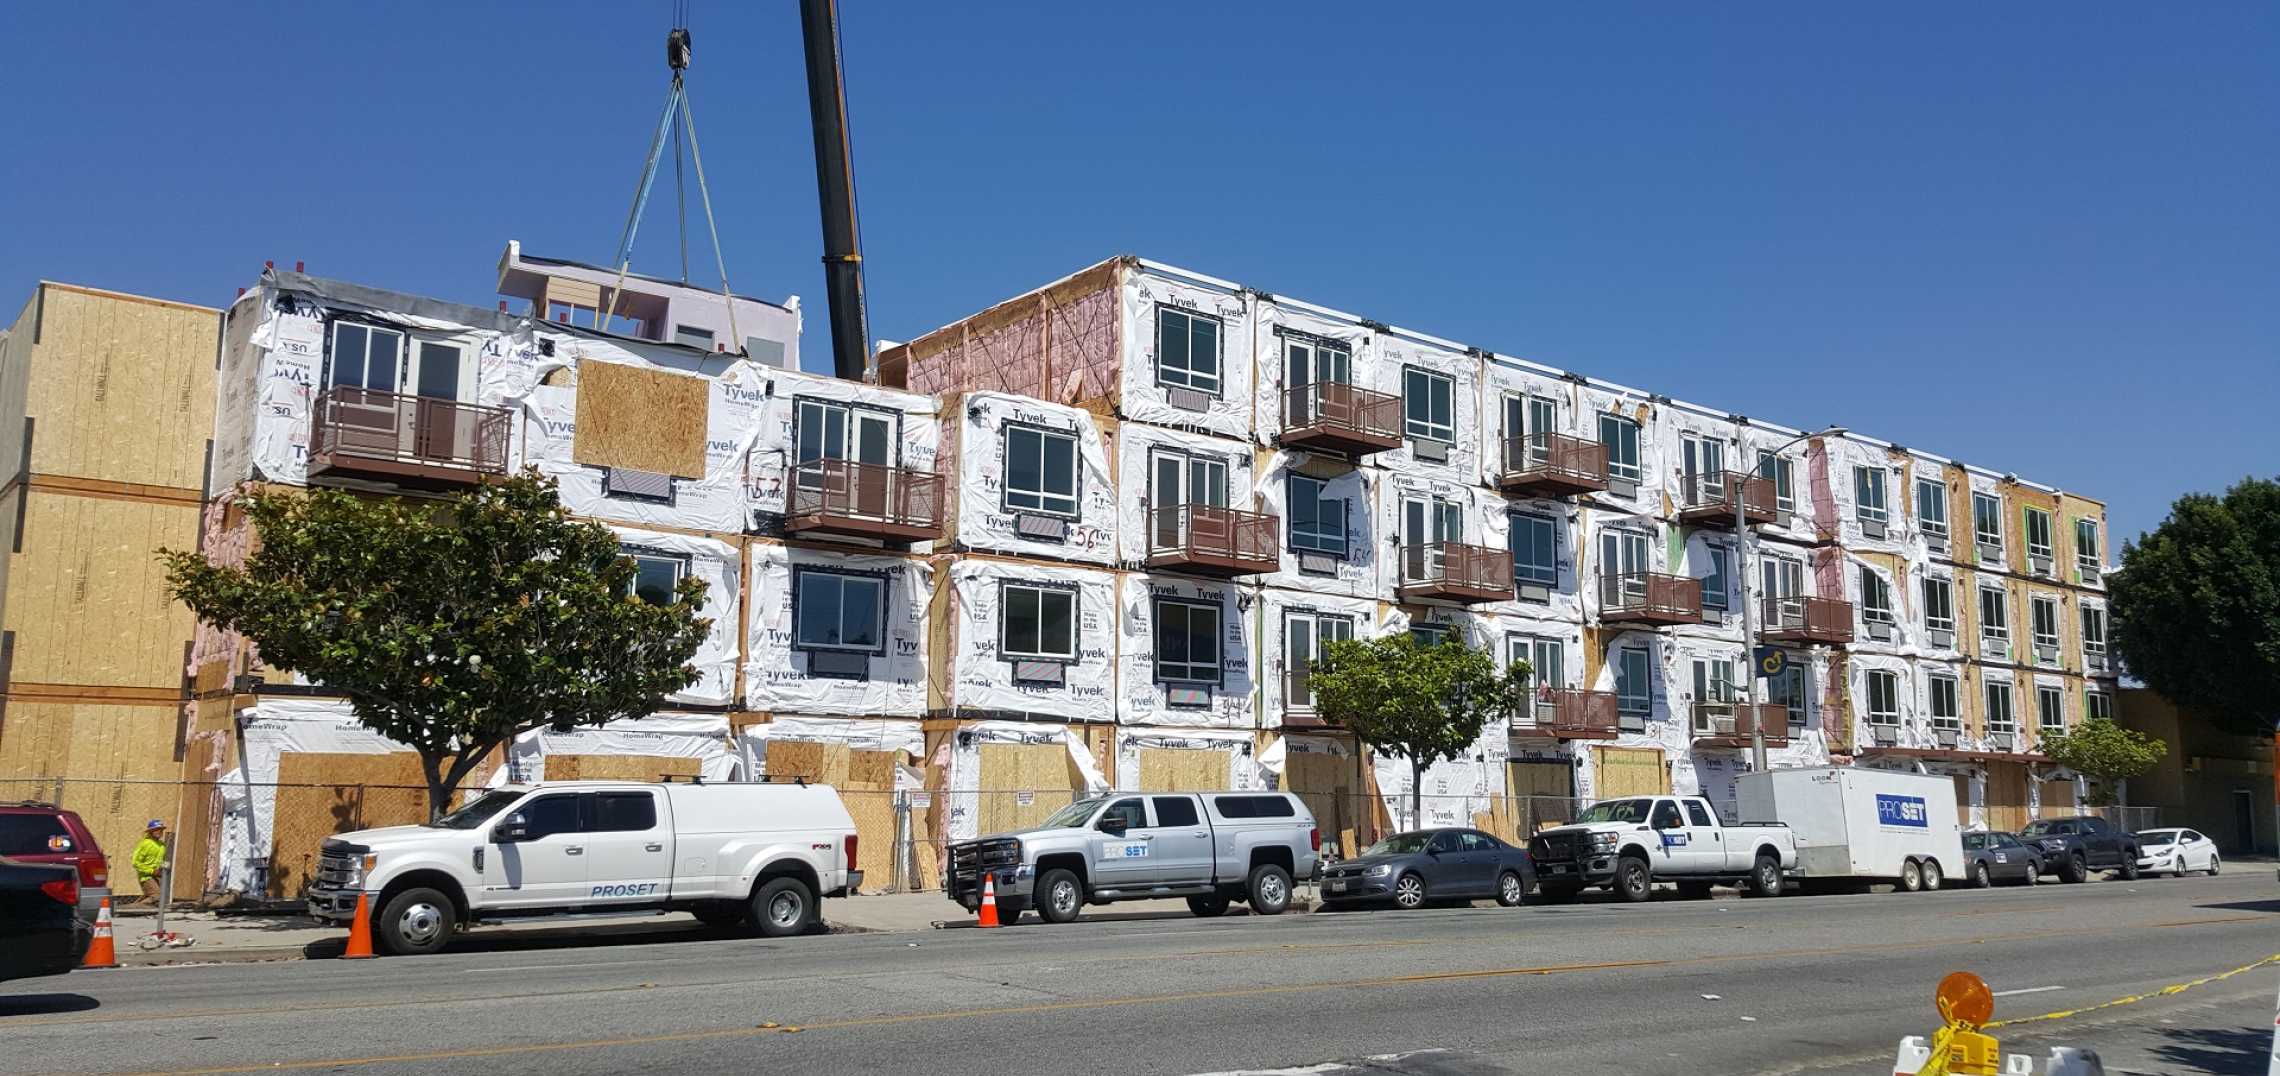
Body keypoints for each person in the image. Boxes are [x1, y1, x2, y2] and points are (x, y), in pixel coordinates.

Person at [132, 819, 169, 906]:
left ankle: (130, 908)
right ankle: (133, 908)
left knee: (152, 895)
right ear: (151, 831)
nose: (160, 832)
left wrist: (165, 868)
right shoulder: (145, 844)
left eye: (161, 830)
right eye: (157, 830)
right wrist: (151, 871)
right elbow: (136, 862)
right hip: (146, 876)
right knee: (157, 895)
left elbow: (163, 860)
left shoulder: (162, 845)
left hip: (158, 875)